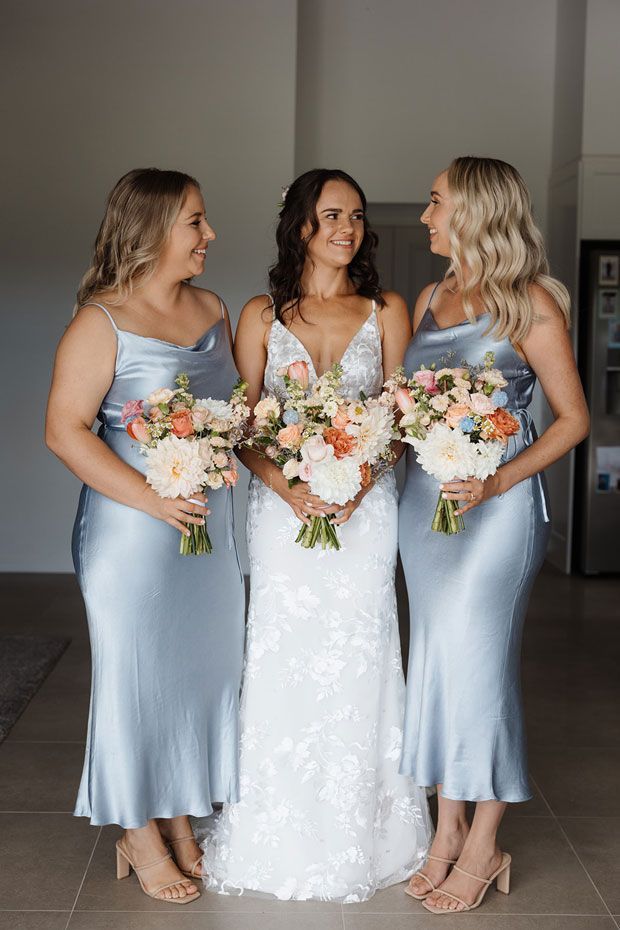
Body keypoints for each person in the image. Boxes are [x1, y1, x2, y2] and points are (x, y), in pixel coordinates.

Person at [201, 168, 432, 903]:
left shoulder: (388, 308)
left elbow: (398, 419)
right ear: (299, 224)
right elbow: (242, 426)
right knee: (283, 654)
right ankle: (276, 825)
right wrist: (288, 488)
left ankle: (373, 830)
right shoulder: (261, 315)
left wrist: (362, 483)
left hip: (368, 512)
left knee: (365, 652)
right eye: (332, 214)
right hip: (283, 513)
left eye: (357, 216)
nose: (348, 228)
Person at [45, 168, 245, 904]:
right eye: (197, 221)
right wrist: (152, 500)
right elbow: (64, 431)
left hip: (208, 536)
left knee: (201, 673)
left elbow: (233, 411)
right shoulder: (99, 321)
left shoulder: (214, 308)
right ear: (156, 228)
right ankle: (135, 828)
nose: (210, 235)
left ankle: (181, 816)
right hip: (131, 533)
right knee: (137, 678)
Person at [399, 156, 589, 914]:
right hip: (426, 508)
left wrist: (498, 480)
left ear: (475, 210)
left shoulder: (531, 304)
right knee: (437, 663)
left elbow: (573, 420)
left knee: (480, 668)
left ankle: (486, 840)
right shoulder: (429, 295)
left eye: (435, 201)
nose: (425, 216)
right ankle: (446, 831)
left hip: (497, 509)